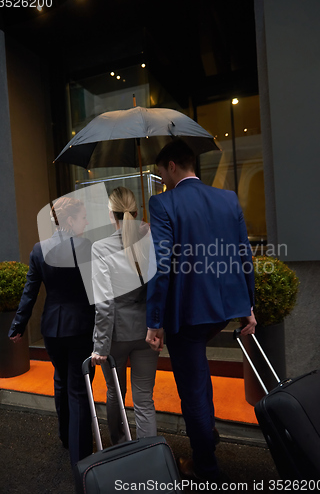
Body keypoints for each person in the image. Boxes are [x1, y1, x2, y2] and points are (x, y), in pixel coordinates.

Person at [146, 139, 257, 482]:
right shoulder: (227, 198)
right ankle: (206, 431)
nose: (161, 178)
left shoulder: (162, 202)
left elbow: (161, 265)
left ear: (173, 167)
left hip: (187, 313)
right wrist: (248, 307)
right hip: (223, 308)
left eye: (161, 172)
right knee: (199, 376)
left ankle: (205, 467)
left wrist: (155, 322)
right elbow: (244, 255)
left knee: (192, 388)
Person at [9, 197, 95, 468]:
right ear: (69, 220)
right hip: (81, 328)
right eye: (83, 217)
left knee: (61, 380)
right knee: (79, 388)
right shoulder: (87, 247)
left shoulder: (39, 249)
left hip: (52, 329)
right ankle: (81, 456)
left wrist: (17, 326)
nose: (87, 222)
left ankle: (66, 437)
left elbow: (30, 292)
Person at [91, 186, 159, 444]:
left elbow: (104, 304)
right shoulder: (149, 241)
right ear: (136, 211)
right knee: (144, 398)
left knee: (115, 393)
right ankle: (149, 454)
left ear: (111, 215)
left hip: (116, 335)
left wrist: (100, 346)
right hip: (146, 330)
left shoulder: (100, 248)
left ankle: (120, 444)